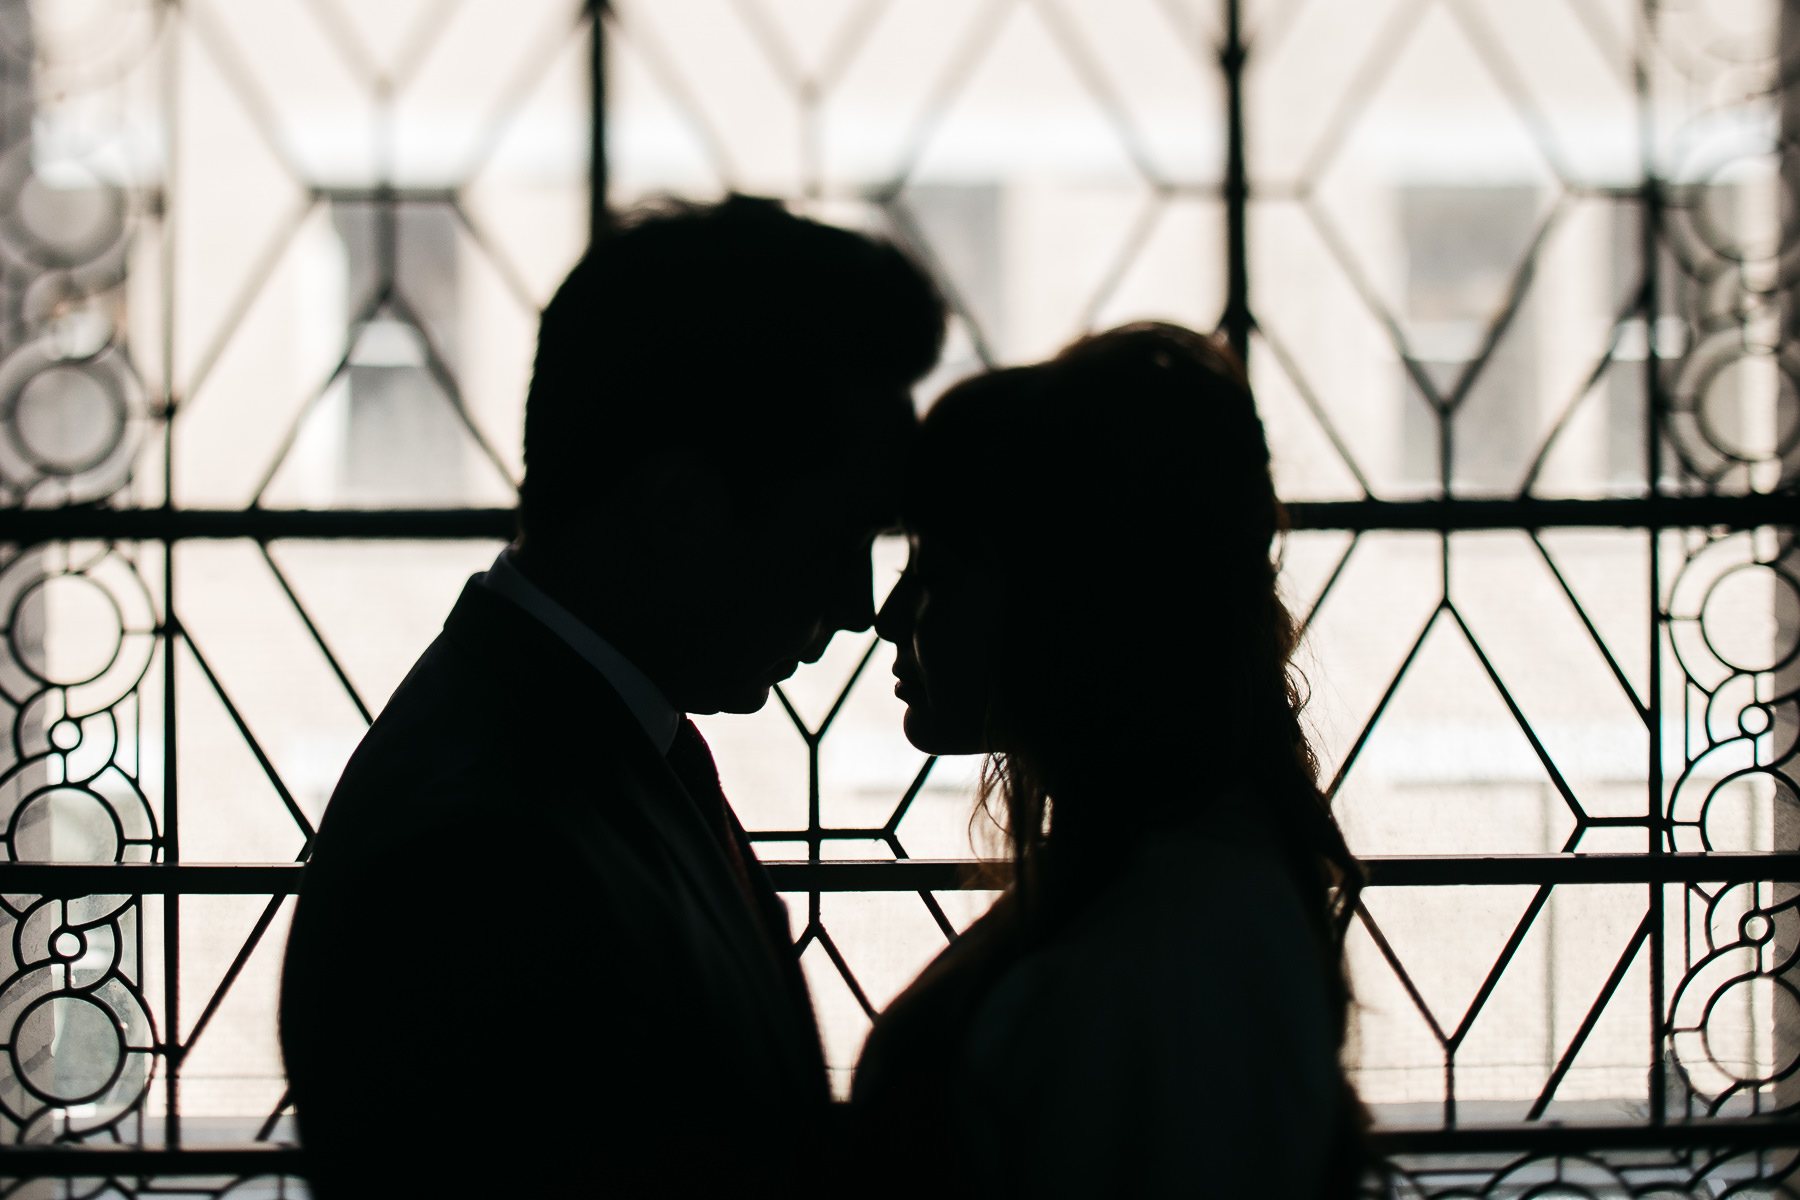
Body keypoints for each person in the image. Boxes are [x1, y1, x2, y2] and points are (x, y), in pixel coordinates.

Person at [279, 195, 944, 1197]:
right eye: (836, 540)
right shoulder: (475, 866)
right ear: (678, 510)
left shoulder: (575, 755)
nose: (859, 609)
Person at [850, 323, 1367, 1198]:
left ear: (1063, 602)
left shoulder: (1166, 945)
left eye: (937, 567)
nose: (891, 615)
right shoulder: (1179, 881)